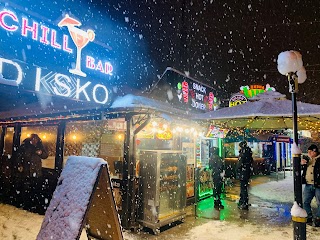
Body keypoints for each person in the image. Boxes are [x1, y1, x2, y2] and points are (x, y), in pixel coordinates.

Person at [15, 133, 48, 209]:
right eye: (33, 139)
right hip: (27, 171)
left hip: (36, 171)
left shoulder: (40, 146)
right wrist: (19, 165)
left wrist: (41, 153)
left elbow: (45, 155)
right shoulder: (25, 146)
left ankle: (33, 204)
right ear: (30, 139)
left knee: (35, 189)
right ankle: (25, 204)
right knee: (26, 188)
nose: (34, 141)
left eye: (36, 139)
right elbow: (19, 156)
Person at [301, 144, 320, 227]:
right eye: (308, 152)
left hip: (318, 185)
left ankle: (318, 218)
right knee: (305, 201)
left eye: (310, 151)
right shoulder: (307, 159)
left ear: (314, 151)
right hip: (308, 184)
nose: (309, 153)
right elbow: (301, 169)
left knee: (319, 203)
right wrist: (302, 163)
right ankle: (309, 216)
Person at [236, 141, 253, 210]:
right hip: (247, 172)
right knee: (245, 188)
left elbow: (239, 163)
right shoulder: (248, 152)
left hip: (243, 173)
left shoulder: (243, 153)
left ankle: (243, 203)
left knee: (243, 188)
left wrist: (237, 170)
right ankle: (244, 202)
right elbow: (251, 162)